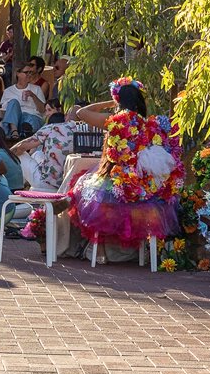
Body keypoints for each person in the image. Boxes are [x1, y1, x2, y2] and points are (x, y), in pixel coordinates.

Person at [68, 78, 184, 256]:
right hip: (145, 187)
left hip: (119, 181)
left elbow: (81, 112)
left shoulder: (113, 120)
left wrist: (111, 102)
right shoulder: (150, 124)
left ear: (119, 100)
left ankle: (99, 253)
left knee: (82, 188)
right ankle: (138, 255)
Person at [1, 60, 46, 136]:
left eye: (30, 72)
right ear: (18, 73)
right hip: (15, 120)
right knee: (13, 102)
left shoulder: (36, 89)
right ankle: (14, 131)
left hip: (32, 117)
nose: (29, 75)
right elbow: (3, 111)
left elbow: (43, 110)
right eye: (26, 72)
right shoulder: (8, 91)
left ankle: (24, 132)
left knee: (31, 120)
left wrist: (33, 96)